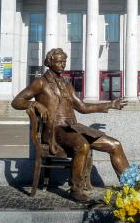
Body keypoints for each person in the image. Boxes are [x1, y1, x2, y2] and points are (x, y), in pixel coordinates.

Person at [11, 48, 130, 202]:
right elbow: (17, 101)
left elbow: (82, 107)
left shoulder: (67, 84)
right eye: (59, 61)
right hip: (56, 130)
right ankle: (76, 189)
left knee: (115, 145)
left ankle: (131, 185)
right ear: (49, 62)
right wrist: (35, 104)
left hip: (74, 127)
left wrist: (110, 104)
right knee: (83, 146)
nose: (62, 65)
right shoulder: (40, 82)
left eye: (64, 62)